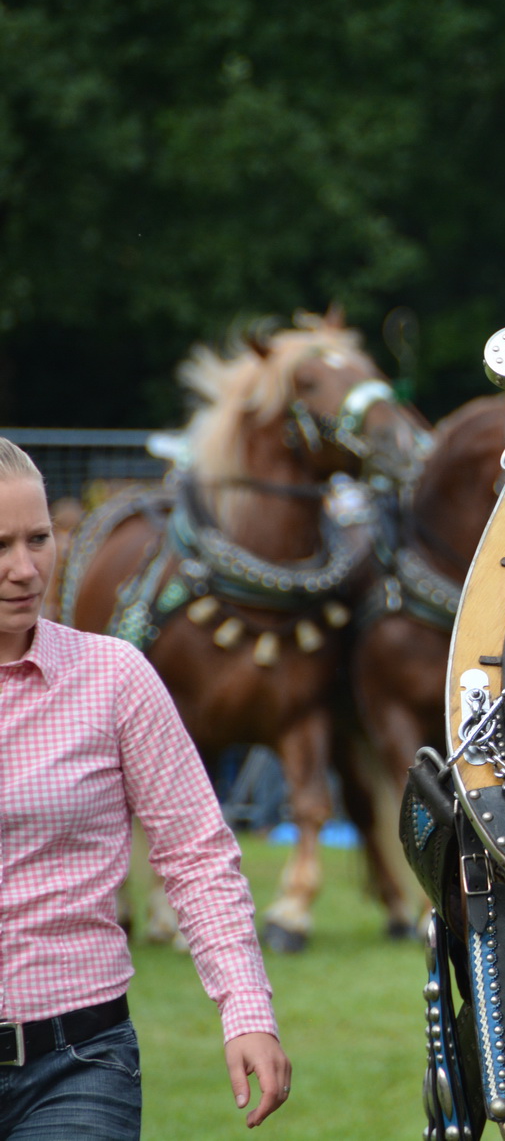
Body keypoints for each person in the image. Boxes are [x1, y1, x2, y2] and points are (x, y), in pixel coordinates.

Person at [0, 437, 291, 1138]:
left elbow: (196, 851)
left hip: (78, 1060)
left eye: (39, 538)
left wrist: (246, 1005)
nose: (24, 568)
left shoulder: (114, 676)